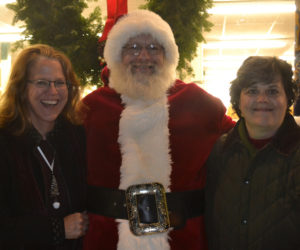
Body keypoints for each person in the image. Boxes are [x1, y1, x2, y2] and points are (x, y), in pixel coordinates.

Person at [82, 10, 234, 250]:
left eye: (154, 47)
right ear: (116, 55)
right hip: (107, 240)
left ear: (168, 56)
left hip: (183, 240)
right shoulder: (91, 108)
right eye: (132, 47)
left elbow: (246, 143)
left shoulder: (199, 103)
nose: (143, 56)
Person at [205, 56, 300, 250]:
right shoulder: (219, 151)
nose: (262, 99)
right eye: (252, 90)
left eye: (272, 91)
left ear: (288, 98)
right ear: (238, 100)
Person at [0, 44, 89, 250]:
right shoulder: (4, 142)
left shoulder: (77, 136)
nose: (52, 92)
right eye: (41, 83)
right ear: (21, 88)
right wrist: (57, 229)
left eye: (59, 82)